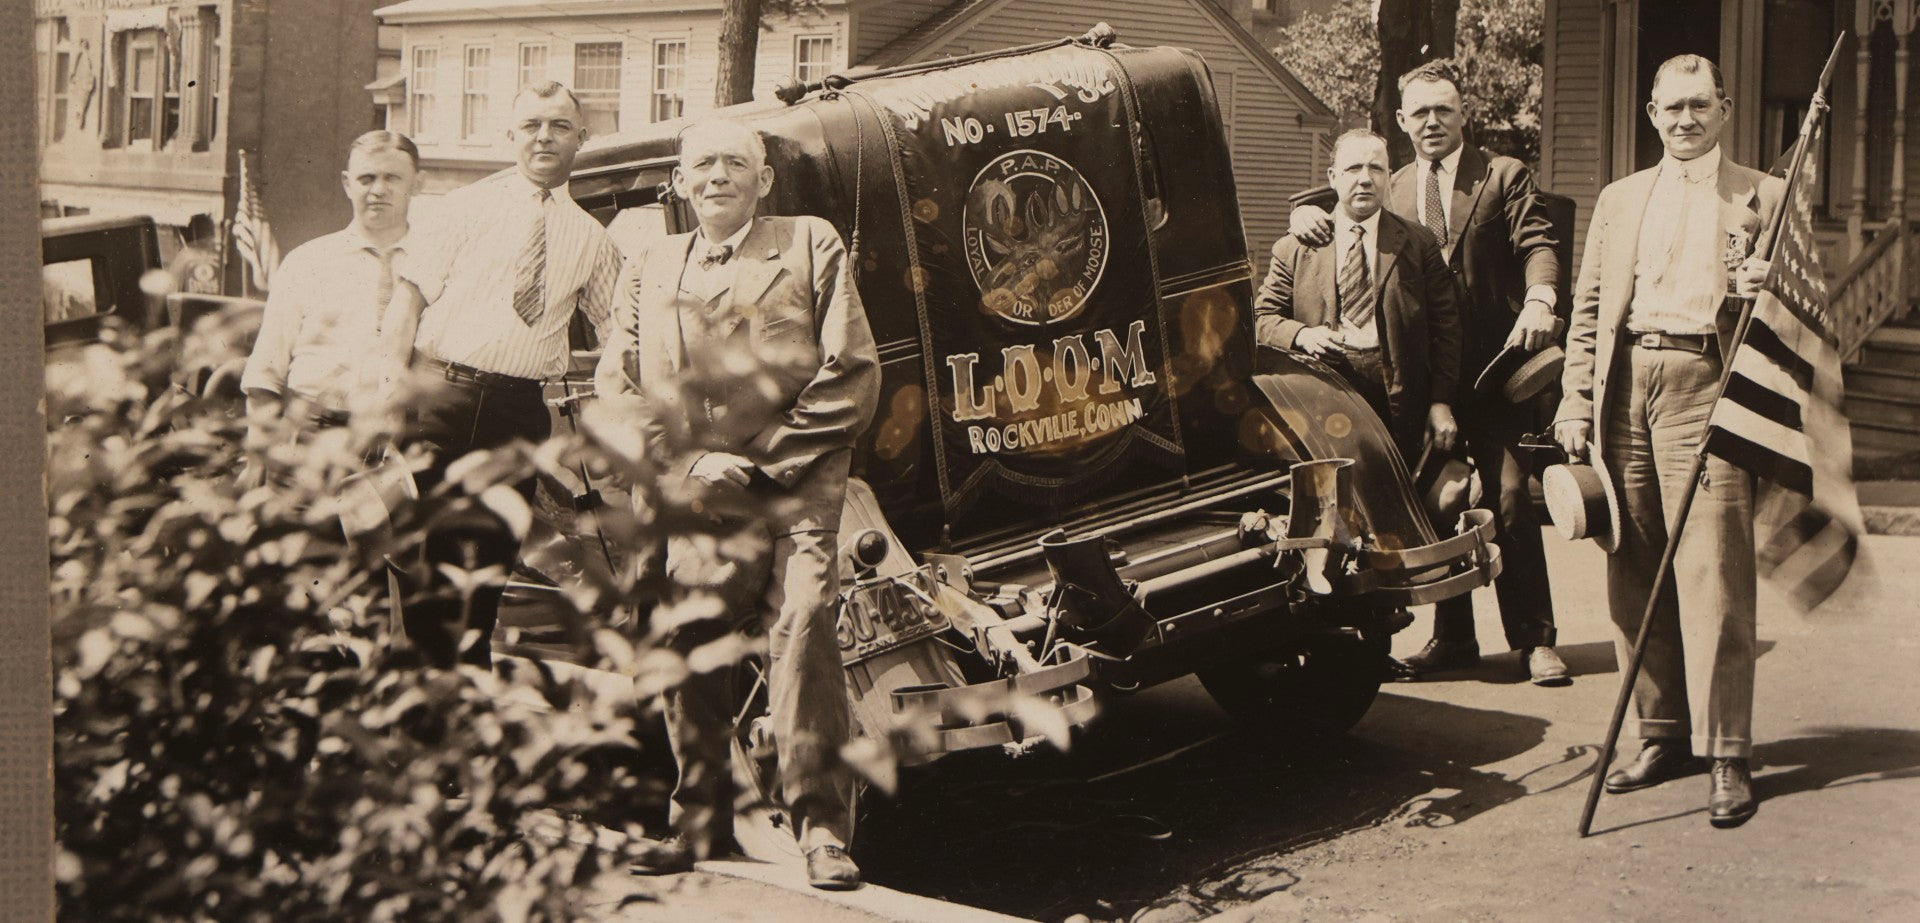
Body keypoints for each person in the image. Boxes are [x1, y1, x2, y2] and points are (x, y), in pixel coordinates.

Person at [594, 119, 879, 889]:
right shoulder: (649, 265)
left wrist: (764, 463)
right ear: (680, 182)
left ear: (764, 179)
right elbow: (617, 386)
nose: (717, 175)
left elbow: (852, 370)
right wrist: (692, 460)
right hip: (695, 484)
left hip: (797, 484)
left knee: (805, 626)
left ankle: (821, 828)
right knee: (690, 635)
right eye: (702, 164)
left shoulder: (810, 243)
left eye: (734, 162)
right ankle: (699, 821)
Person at [1288, 60, 1570, 686]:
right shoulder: (1389, 183)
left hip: (1492, 374)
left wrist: (1540, 298)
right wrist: (1301, 219)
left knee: (1509, 499)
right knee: (1434, 502)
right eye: (1420, 112)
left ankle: (1535, 640)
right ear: (1401, 121)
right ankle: (1454, 638)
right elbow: (1340, 212)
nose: (1432, 121)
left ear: (1464, 112)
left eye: (1444, 109)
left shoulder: (1503, 176)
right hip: (1418, 384)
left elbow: (1538, 245)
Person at [1553, 54, 1780, 828]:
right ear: (1652, 113)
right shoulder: (1620, 198)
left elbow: (1803, 319)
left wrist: (1767, 292)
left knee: (1715, 571)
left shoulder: (1764, 195)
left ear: (1724, 109)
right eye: (1672, 107)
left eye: (1699, 105)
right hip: (1624, 386)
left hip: (1706, 385)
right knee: (1633, 563)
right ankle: (1661, 734)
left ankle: (1727, 752)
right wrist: (1575, 400)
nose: (1685, 119)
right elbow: (1588, 309)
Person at [375, 82, 623, 668]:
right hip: (439, 400)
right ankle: (420, 702)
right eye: (532, 125)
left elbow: (618, 331)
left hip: (517, 415)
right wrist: (387, 397)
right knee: (424, 572)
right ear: (509, 135)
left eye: (560, 127)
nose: (545, 138)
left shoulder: (592, 238)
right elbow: (405, 305)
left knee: (485, 577)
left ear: (582, 139)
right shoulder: (463, 208)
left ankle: (467, 697)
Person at [1256, 128, 1461, 469]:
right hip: (1324, 394)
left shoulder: (1418, 243)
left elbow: (1447, 327)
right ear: (1333, 177)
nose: (1365, 179)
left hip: (1401, 399)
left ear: (1388, 177)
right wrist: (1302, 334)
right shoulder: (1296, 247)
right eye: (1353, 168)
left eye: (1376, 168)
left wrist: (1441, 402)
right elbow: (1262, 318)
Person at [241, 130, 421, 437]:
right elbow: (264, 375)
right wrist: (262, 453)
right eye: (366, 179)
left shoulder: (433, 264)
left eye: (392, 178)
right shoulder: (308, 262)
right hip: (311, 431)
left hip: (395, 437)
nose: (378, 190)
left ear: (417, 184)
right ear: (347, 184)